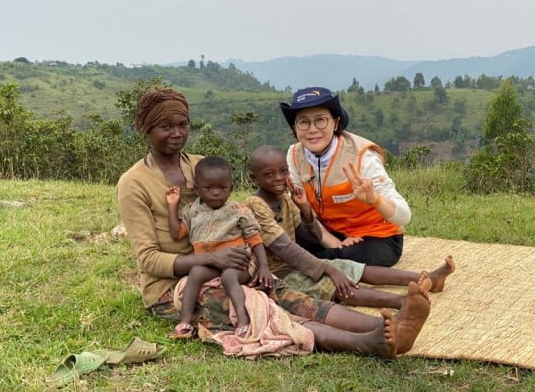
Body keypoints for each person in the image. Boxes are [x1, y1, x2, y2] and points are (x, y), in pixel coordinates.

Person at [116, 86, 431, 359]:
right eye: (164, 126)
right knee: (260, 308)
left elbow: (233, 217)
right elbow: (149, 260)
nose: (176, 133)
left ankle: (389, 326)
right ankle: (364, 343)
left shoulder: (200, 166)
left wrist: (250, 256)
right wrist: (211, 258)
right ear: (146, 129)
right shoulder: (135, 183)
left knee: (284, 292)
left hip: (226, 267)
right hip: (174, 286)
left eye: (182, 124)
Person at [245, 145, 455, 316]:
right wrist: (328, 270)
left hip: (294, 264)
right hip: (276, 272)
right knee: (335, 285)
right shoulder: (256, 205)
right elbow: (285, 248)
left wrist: (305, 209)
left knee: (352, 267)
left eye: (283, 171)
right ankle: (402, 301)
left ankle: (428, 278)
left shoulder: (284, 199)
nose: (279, 178)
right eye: (269, 174)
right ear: (255, 178)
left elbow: (311, 236)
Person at [280, 86, 411, 266]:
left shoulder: (362, 157)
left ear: (336, 122)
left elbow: (404, 216)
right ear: (295, 127)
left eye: (321, 120)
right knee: (279, 240)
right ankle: (320, 258)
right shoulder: (295, 154)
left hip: (374, 237)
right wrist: (334, 243)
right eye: (303, 122)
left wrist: (374, 198)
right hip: (326, 233)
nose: (312, 129)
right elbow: (297, 210)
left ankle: (311, 262)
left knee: (303, 259)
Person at [166, 156, 273, 339]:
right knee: (196, 273)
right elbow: (177, 233)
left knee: (229, 276)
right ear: (197, 189)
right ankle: (184, 322)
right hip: (210, 264)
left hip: (239, 264)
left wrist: (263, 266)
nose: (216, 193)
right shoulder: (192, 211)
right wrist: (172, 205)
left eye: (222, 188)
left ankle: (242, 320)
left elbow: (255, 239)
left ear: (231, 188)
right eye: (208, 188)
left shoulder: (238, 211)